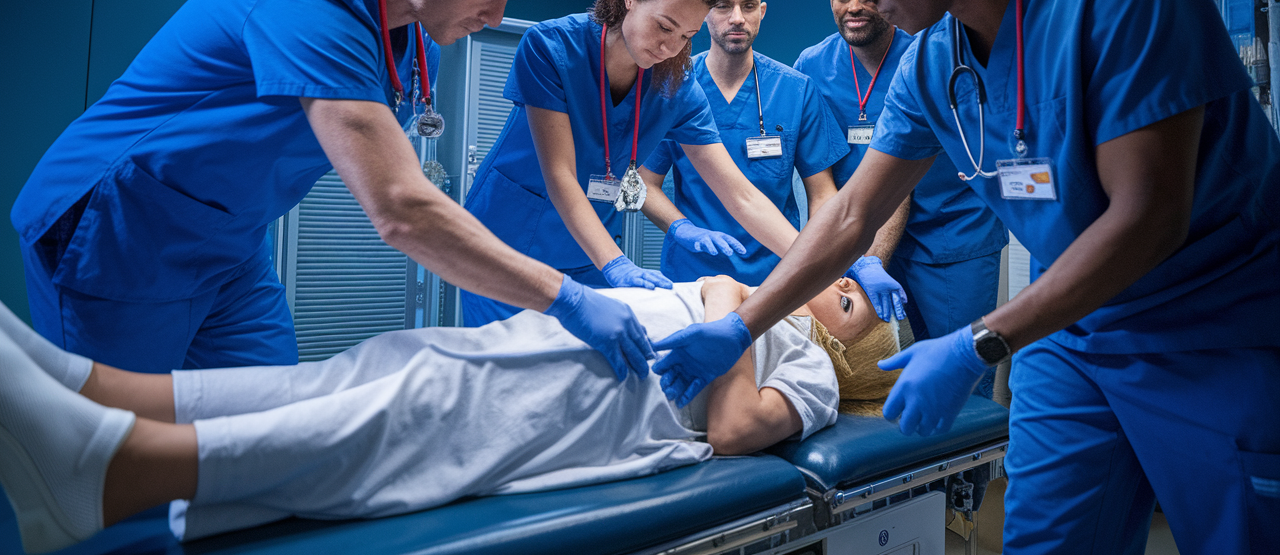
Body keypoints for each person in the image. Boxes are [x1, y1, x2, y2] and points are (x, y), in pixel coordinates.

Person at [652, 0, 1280, 554]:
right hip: (1072, 334)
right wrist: (743, 327)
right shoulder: (931, 61)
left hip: (1208, 324)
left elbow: (1148, 219)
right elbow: (854, 212)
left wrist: (979, 342)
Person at [10, 0, 656, 383]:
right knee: (118, 458)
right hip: (120, 229)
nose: (496, 16)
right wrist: (565, 297)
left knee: (268, 429)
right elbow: (400, 208)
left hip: (229, 242)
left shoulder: (417, 38)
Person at [0, 275, 899, 555]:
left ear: (849, 354)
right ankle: (95, 390)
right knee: (374, 368)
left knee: (406, 415)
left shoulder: (813, 372)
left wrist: (730, 320)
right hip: (554, 347)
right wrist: (725, 299)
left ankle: (113, 473)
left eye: (854, 305)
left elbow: (738, 430)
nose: (843, 286)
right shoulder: (769, 300)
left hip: (603, 406)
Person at [459, 0, 808, 326]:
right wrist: (618, 265)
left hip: (589, 251)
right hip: (505, 248)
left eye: (686, 36)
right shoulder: (551, 48)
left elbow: (741, 195)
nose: (670, 47)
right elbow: (560, 176)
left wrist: (829, 262)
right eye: (664, 26)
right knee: (510, 368)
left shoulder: (677, 86)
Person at [793, 0, 1007, 393]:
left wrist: (869, 252)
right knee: (874, 376)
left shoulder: (928, 54)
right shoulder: (811, 67)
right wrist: (846, 249)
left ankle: (971, 463)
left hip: (950, 233)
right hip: (860, 237)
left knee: (958, 376)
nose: (855, 7)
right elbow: (820, 172)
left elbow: (900, 175)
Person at [639, 0, 849, 287]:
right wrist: (681, 228)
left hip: (777, 275)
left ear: (761, 12)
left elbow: (822, 194)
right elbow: (645, 182)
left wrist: (812, 262)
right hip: (693, 275)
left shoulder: (795, 90)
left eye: (748, 6)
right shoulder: (672, 88)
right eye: (723, 6)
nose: (737, 18)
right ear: (704, 12)